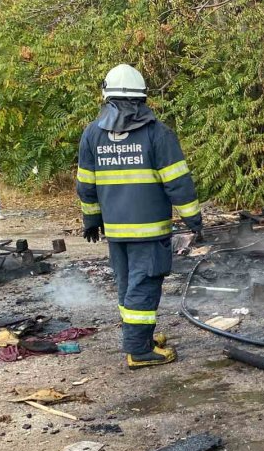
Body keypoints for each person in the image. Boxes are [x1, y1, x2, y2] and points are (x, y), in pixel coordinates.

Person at [77, 64, 203, 369]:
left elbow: (86, 185)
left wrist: (91, 221)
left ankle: (141, 338)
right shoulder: (157, 134)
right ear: (142, 98)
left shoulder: (92, 134)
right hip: (149, 232)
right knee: (144, 285)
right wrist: (194, 221)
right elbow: (178, 183)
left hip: (116, 232)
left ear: (106, 98)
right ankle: (139, 350)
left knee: (127, 285)